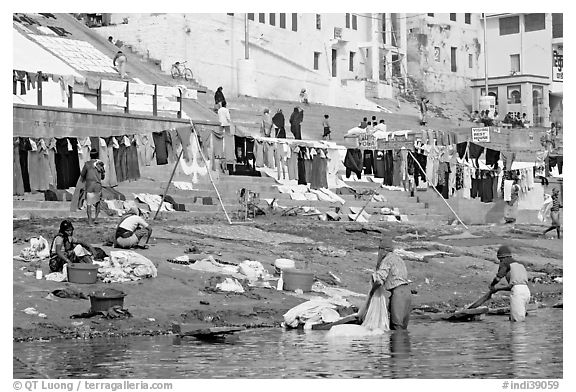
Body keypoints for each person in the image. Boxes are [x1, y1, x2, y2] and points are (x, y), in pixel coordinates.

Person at [369, 237, 412, 330]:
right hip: (407, 292)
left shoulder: (387, 259)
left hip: (398, 293)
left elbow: (379, 280)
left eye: (379, 250)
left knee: (396, 327)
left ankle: (396, 344)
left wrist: (372, 292)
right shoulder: (399, 259)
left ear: (383, 250)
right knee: (403, 328)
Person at [489, 245, 531, 322]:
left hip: (518, 293)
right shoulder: (520, 264)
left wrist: (492, 285)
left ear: (502, 258)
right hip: (526, 292)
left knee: (517, 323)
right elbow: (512, 287)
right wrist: (498, 289)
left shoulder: (505, 262)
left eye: (500, 260)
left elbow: (498, 278)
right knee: (518, 320)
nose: (500, 262)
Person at [80, 149, 105, 226]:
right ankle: (96, 218)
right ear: (97, 156)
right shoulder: (100, 164)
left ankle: (90, 221)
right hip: (97, 185)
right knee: (97, 202)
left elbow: (82, 174)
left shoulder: (87, 164)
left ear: (90, 156)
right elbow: (103, 176)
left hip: (90, 186)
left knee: (89, 204)